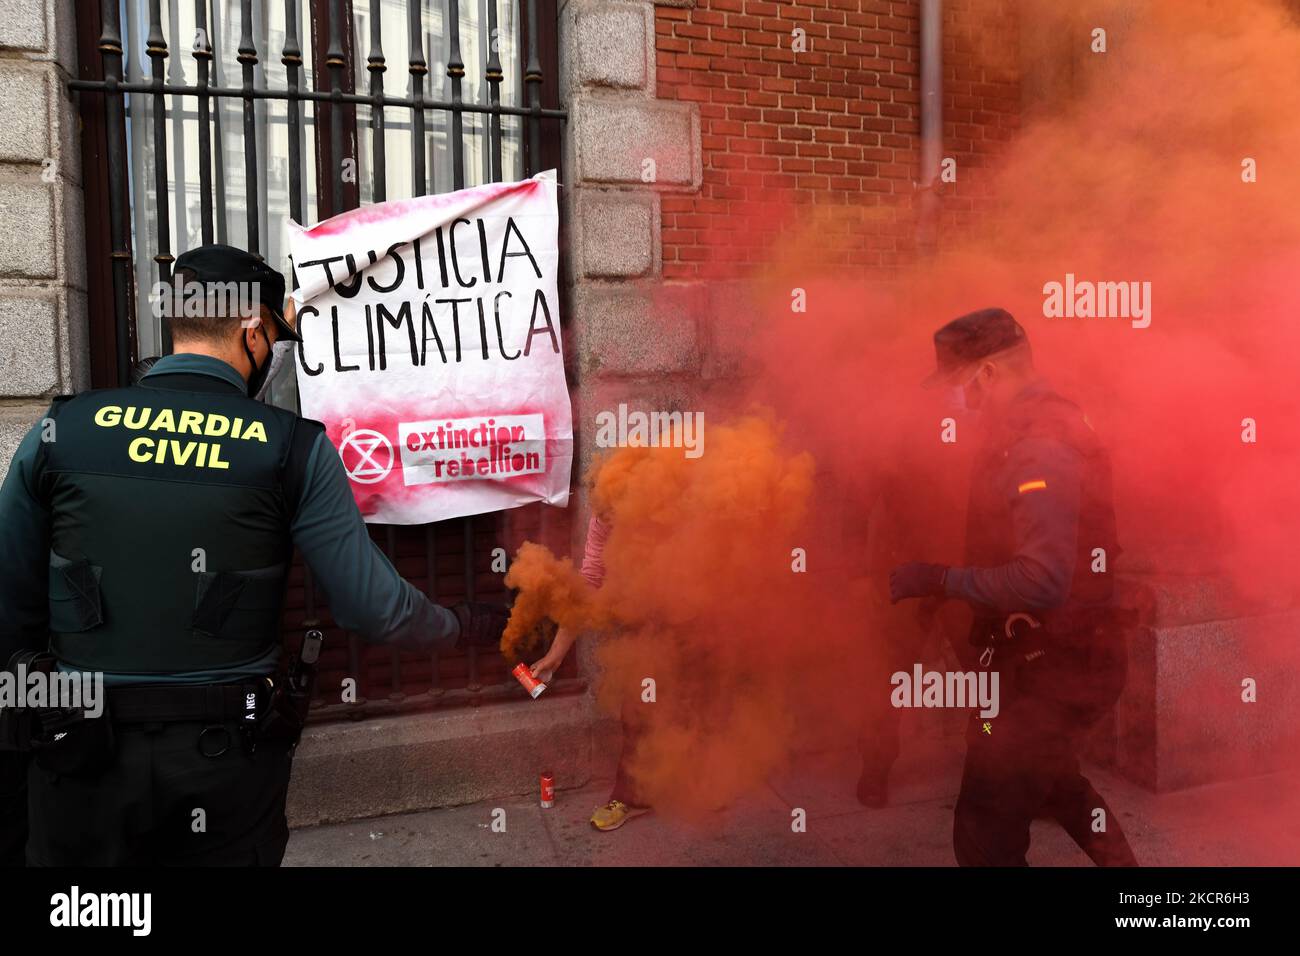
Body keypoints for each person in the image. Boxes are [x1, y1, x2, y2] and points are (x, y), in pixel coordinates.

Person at [0, 243, 509, 866]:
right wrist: (463, 625)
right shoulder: (290, 447)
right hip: (224, 768)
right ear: (251, 328)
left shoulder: (61, 430)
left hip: (77, 760)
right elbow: (375, 609)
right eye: (273, 335)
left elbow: (9, 605)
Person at [889, 307, 1138, 867]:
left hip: (1056, 665)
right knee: (1054, 782)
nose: (956, 403)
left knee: (983, 836)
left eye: (958, 388)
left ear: (988, 375)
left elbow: (1041, 579)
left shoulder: (1039, 444)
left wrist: (941, 580)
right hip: (1055, 657)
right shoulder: (1036, 425)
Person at [528, 512, 654, 831]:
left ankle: (706, 778)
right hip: (643, 618)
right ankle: (633, 797)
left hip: (692, 607)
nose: (608, 519)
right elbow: (589, 584)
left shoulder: (665, 505)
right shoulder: (605, 516)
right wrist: (556, 655)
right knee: (638, 706)